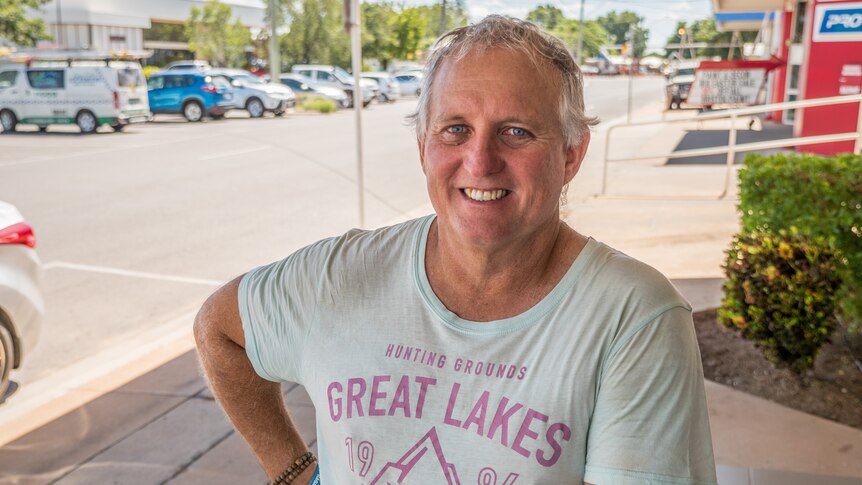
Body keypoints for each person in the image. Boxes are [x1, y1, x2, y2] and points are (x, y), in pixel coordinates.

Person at [194, 15, 717, 485]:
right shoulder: (339, 277)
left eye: (516, 131)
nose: (480, 160)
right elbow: (219, 330)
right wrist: (291, 472)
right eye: (456, 129)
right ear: (424, 148)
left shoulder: (633, 318)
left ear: (571, 153)